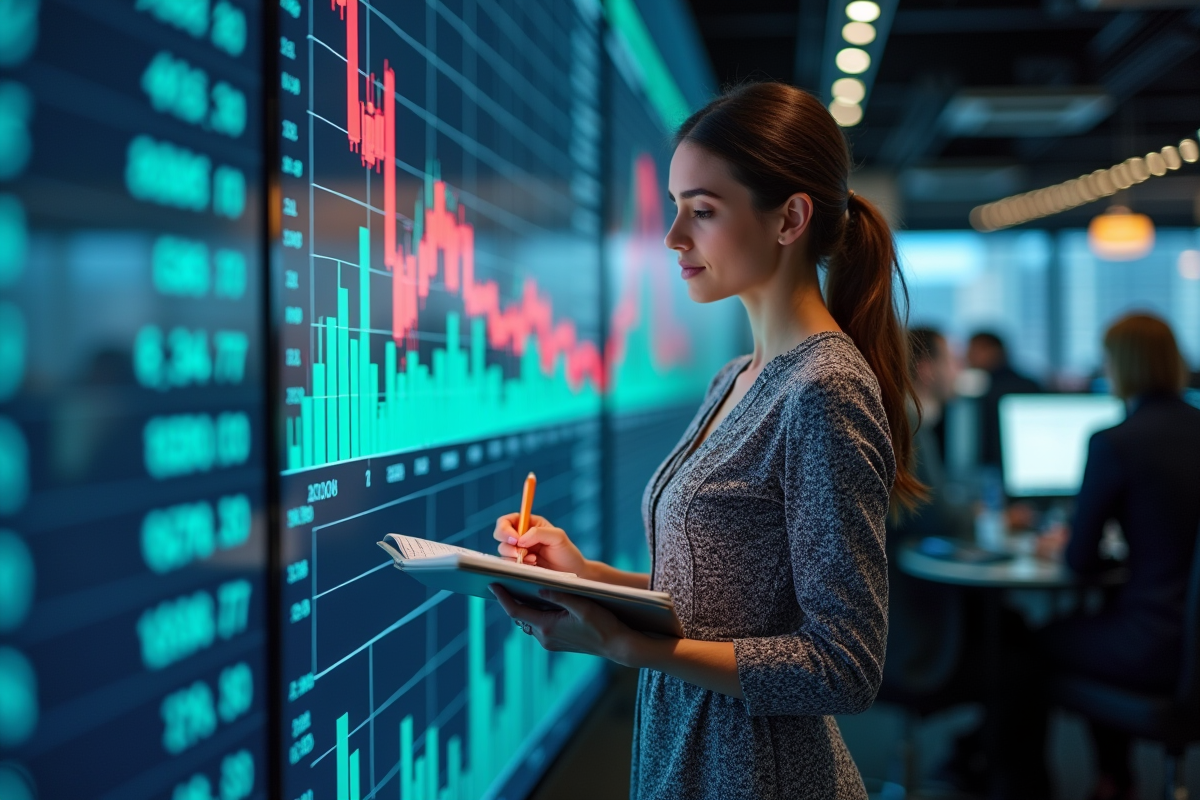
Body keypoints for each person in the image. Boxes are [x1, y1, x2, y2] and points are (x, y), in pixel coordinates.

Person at [487, 81, 923, 800]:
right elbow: (718, 600)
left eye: (703, 211)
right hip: (689, 754)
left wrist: (628, 645)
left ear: (790, 219)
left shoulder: (822, 390)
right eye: (674, 207)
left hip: (760, 775)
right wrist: (584, 574)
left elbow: (843, 667)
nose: (673, 238)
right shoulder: (736, 377)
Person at [1037, 313, 1200, 800]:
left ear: (1120, 366)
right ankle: (1114, 779)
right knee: (1104, 615)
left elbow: (1079, 563)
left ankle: (1020, 781)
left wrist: (1066, 544)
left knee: (1025, 643)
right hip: (1191, 639)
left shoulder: (1115, 442)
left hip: (1155, 645)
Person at [967, 331, 1040, 470]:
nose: (968, 357)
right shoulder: (1029, 382)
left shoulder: (987, 387)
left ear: (993, 351)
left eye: (973, 351)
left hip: (994, 463)